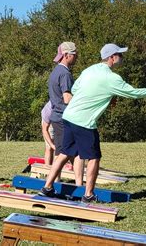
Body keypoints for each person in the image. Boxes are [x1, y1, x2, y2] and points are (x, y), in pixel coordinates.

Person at [39, 43, 146, 202]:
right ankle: (88, 195)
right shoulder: (112, 78)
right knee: (94, 158)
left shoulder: (90, 70)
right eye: (120, 55)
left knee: (64, 154)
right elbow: (134, 93)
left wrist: (99, 97)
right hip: (84, 122)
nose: (122, 57)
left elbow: (75, 90)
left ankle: (47, 187)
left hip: (69, 116)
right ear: (112, 57)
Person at [48, 42, 84, 185]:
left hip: (56, 117)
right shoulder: (65, 73)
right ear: (66, 55)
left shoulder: (56, 71)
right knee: (77, 153)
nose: (76, 57)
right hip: (64, 118)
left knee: (60, 152)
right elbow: (67, 98)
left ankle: (54, 185)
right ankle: (80, 187)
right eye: (75, 55)